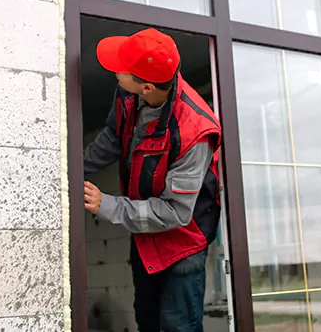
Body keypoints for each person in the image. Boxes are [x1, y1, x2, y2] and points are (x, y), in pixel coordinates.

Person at [83, 28, 222, 332]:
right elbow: (114, 136)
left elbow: (175, 211)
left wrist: (108, 206)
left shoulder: (194, 133)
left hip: (182, 243)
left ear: (146, 87)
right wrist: (75, 167)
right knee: (147, 321)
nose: (116, 72)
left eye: (122, 70)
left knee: (178, 327)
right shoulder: (129, 92)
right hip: (145, 235)